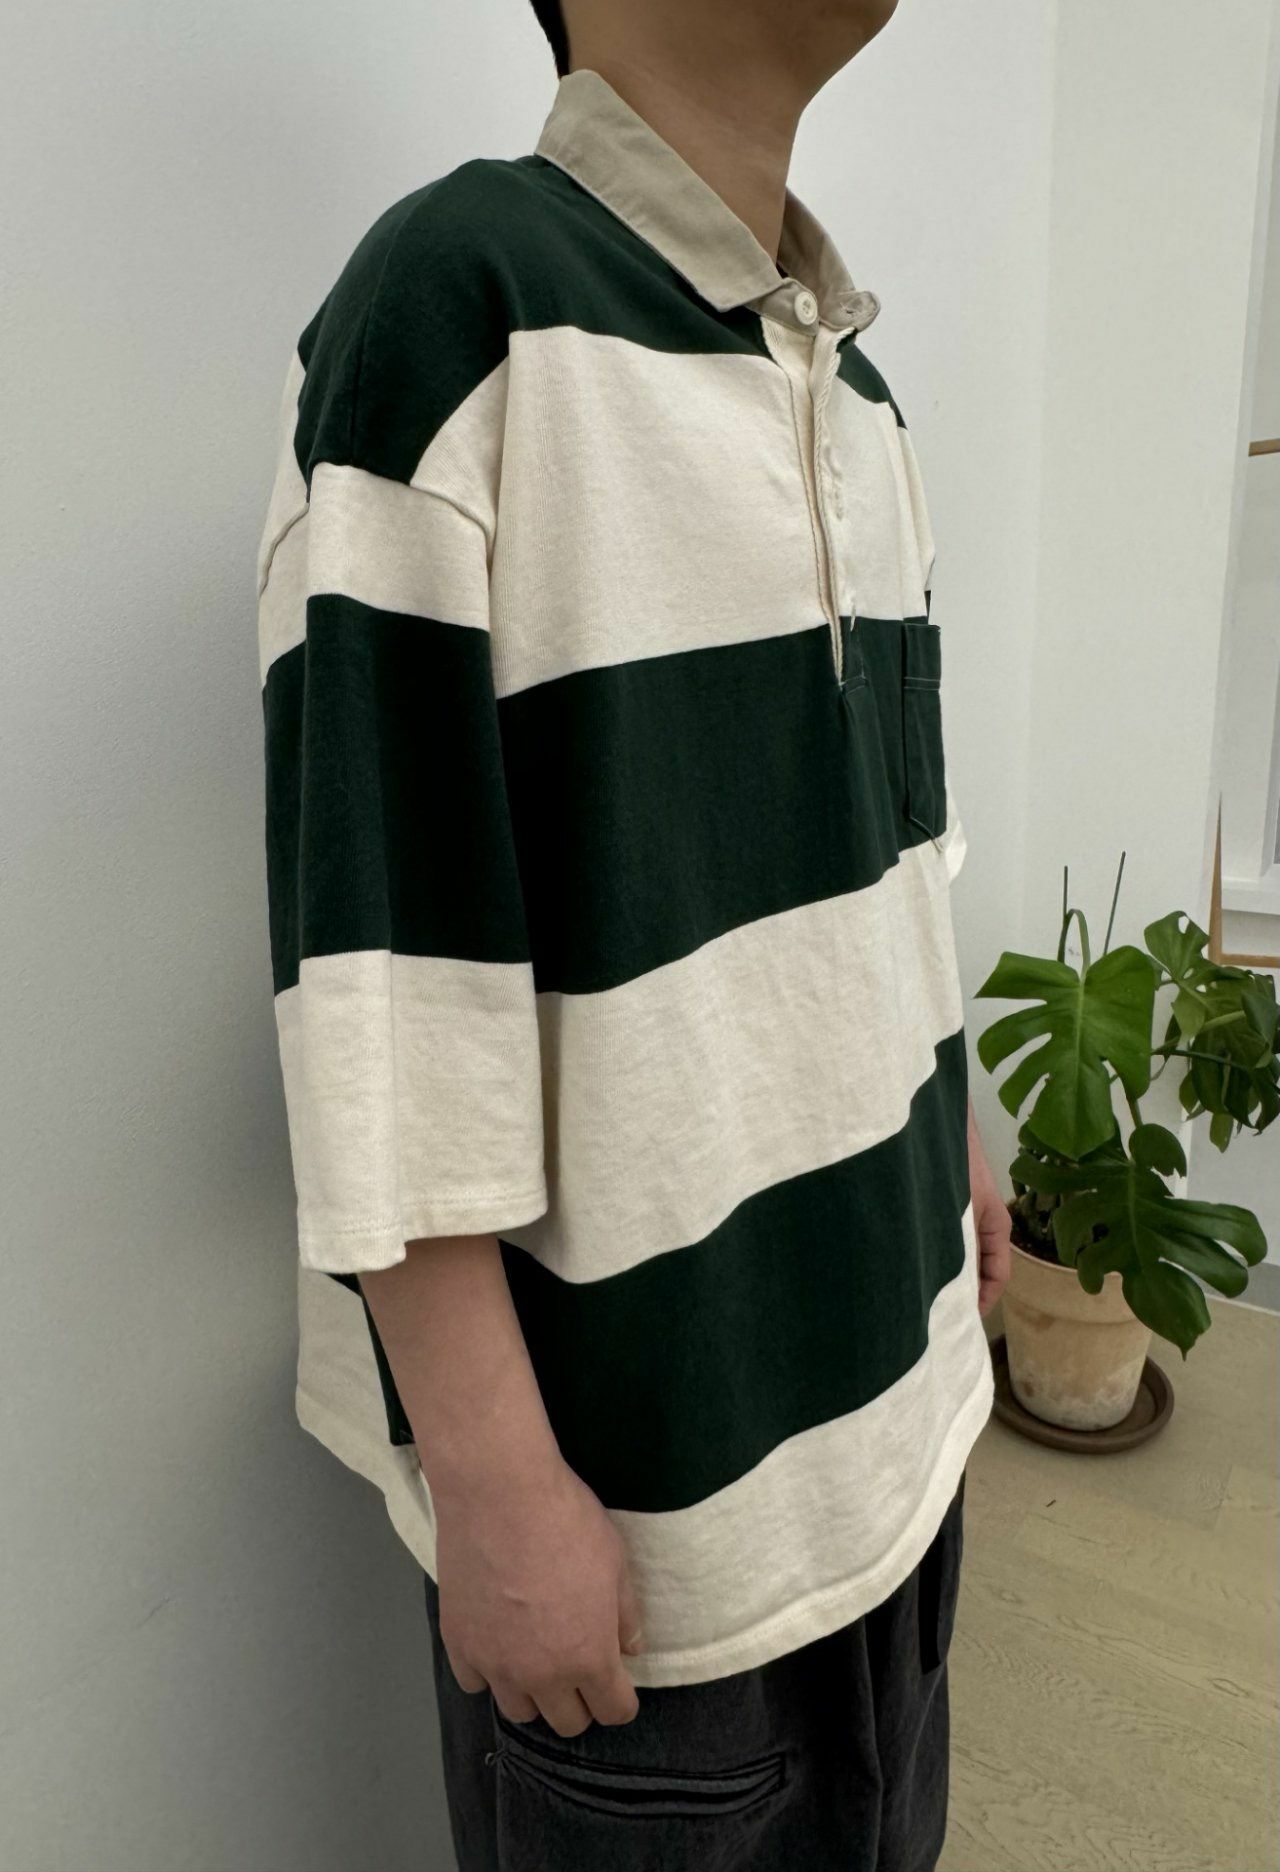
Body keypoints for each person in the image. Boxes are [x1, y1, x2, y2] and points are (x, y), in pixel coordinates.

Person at [255, 0, 1013, 1864]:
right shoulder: (460, 305)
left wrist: (959, 1146)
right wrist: (493, 1483)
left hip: (902, 1419)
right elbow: (381, 981)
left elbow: (898, 855)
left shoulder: (858, 389)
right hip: (645, 1511)